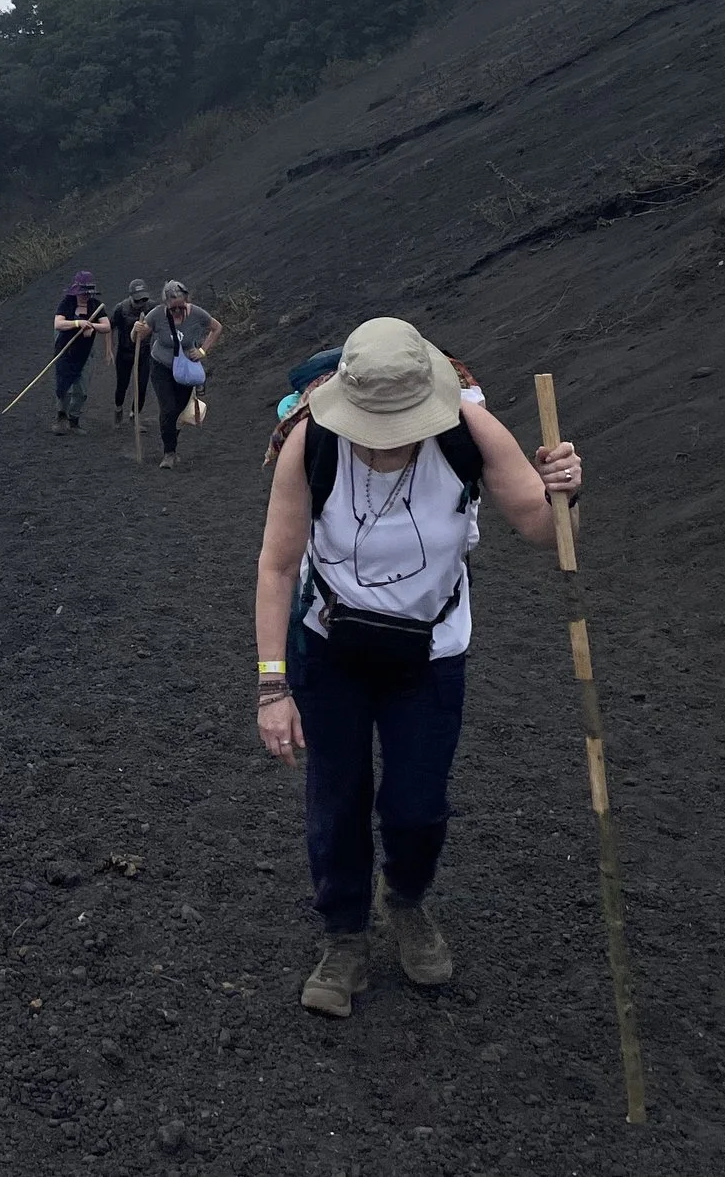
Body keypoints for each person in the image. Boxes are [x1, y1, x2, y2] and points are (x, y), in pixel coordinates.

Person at [251, 317, 583, 1017]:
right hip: (330, 648)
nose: (385, 437)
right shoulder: (311, 440)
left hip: (429, 652)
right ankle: (343, 936)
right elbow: (277, 565)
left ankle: (404, 897)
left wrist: (564, 493)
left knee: (417, 804)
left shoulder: (470, 431)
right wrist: (272, 685)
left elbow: (545, 530)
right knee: (337, 796)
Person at [133, 280, 220, 469]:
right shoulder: (156, 315)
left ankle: (171, 439)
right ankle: (169, 453)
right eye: (173, 308)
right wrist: (135, 330)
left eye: (182, 307)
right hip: (161, 366)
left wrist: (203, 350)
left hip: (185, 370)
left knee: (178, 410)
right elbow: (138, 337)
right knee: (168, 408)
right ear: (166, 304)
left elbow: (216, 328)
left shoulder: (197, 313)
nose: (178, 311)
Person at [48, 271, 108, 434]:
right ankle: (61, 417)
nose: (85, 296)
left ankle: (74, 420)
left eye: (88, 293)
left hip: (85, 353)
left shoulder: (96, 305)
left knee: (81, 390)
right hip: (65, 350)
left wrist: (92, 326)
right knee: (64, 387)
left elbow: (106, 326)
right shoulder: (67, 303)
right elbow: (58, 324)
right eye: (83, 293)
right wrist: (78, 323)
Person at [111, 278, 155, 426]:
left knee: (142, 386)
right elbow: (110, 327)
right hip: (124, 353)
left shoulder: (152, 308)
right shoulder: (121, 309)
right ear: (130, 296)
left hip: (144, 352)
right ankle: (118, 408)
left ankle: (134, 415)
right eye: (137, 300)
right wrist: (109, 348)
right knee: (122, 385)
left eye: (143, 300)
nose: (141, 303)